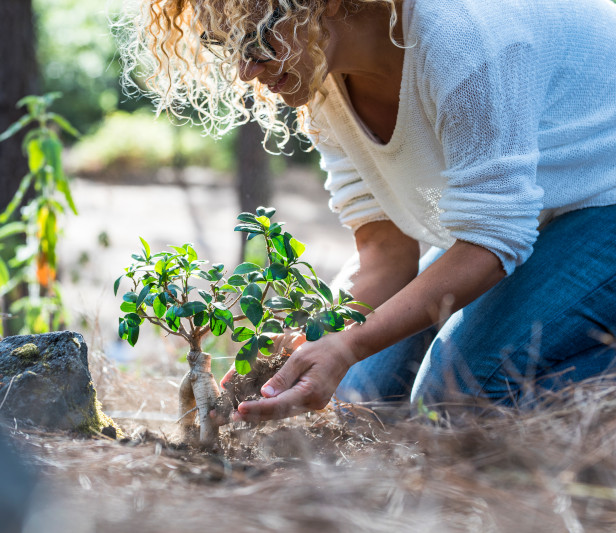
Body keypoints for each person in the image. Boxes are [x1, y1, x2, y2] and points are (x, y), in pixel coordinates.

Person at [121, 0, 616, 421]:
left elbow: (493, 239)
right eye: (226, 46)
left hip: (603, 204)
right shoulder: (322, 81)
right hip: (542, 215)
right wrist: (294, 344)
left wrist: (348, 344)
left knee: (454, 403)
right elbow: (385, 254)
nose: (244, 70)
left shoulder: (461, 40)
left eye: (255, 40)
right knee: (366, 401)